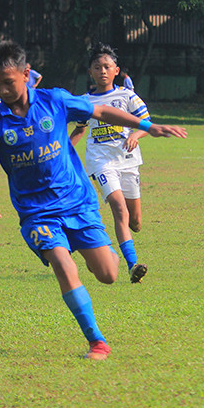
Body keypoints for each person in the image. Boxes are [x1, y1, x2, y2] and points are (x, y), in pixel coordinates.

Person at [0, 41, 186, 360]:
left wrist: (148, 126)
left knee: (108, 274)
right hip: (38, 215)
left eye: (8, 82)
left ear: (26, 74)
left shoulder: (55, 101)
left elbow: (102, 111)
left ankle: (95, 251)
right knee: (64, 266)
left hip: (78, 203)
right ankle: (97, 341)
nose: (2, 90)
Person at [70, 43, 151, 283]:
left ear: (116, 70)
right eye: (97, 67)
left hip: (127, 161)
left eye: (107, 66)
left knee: (135, 221)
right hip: (101, 162)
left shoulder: (127, 96)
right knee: (119, 209)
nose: (102, 71)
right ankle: (131, 264)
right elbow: (80, 129)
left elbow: (146, 122)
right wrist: (63, 150)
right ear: (90, 72)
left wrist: (135, 135)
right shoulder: (85, 101)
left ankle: (100, 254)